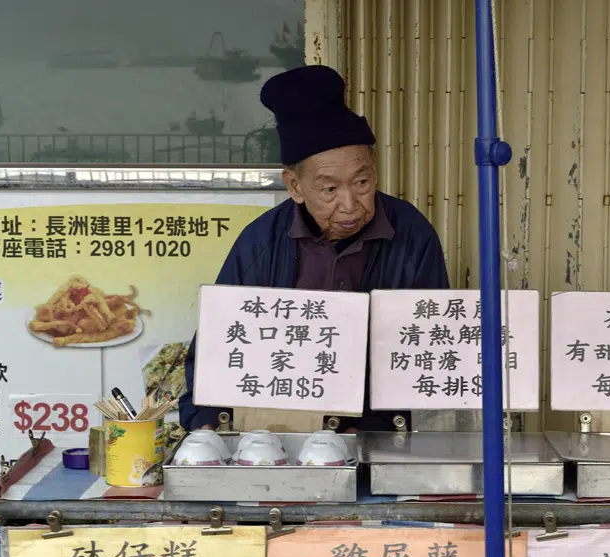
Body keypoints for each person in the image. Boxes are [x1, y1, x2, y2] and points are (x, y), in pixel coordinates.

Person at [178, 65, 449, 432]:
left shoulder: (412, 235)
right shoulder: (261, 242)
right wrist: (207, 427)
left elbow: (429, 351)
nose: (351, 204)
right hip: (275, 433)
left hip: (376, 435)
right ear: (294, 186)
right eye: (329, 190)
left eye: (363, 182)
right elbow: (214, 350)